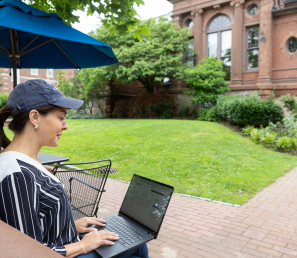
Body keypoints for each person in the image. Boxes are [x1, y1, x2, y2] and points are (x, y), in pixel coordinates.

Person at [0, 79, 149, 258]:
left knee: (137, 242)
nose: (66, 125)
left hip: (65, 240)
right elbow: (28, 252)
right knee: (137, 244)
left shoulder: (27, 164)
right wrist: (83, 245)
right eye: (61, 118)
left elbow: (38, 221)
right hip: (68, 253)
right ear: (35, 117)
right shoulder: (18, 175)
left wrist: (70, 225)